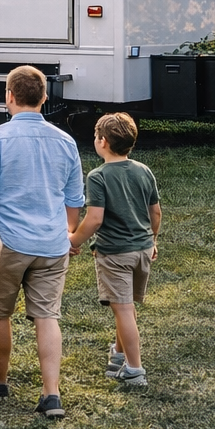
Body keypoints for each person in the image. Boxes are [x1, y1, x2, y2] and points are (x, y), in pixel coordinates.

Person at [0, 66, 84, 420]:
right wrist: (69, 232)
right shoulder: (66, 141)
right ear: (45, 97)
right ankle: (51, 394)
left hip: (6, 243)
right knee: (47, 316)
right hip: (52, 244)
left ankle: (0, 381)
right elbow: (74, 199)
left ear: (9, 97)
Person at [69, 113, 160, 388]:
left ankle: (135, 370)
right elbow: (155, 212)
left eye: (96, 137)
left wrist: (73, 241)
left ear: (103, 141)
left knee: (122, 310)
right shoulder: (143, 170)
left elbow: (95, 218)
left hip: (115, 253)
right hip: (143, 250)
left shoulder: (98, 176)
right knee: (126, 306)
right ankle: (119, 355)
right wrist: (153, 241)